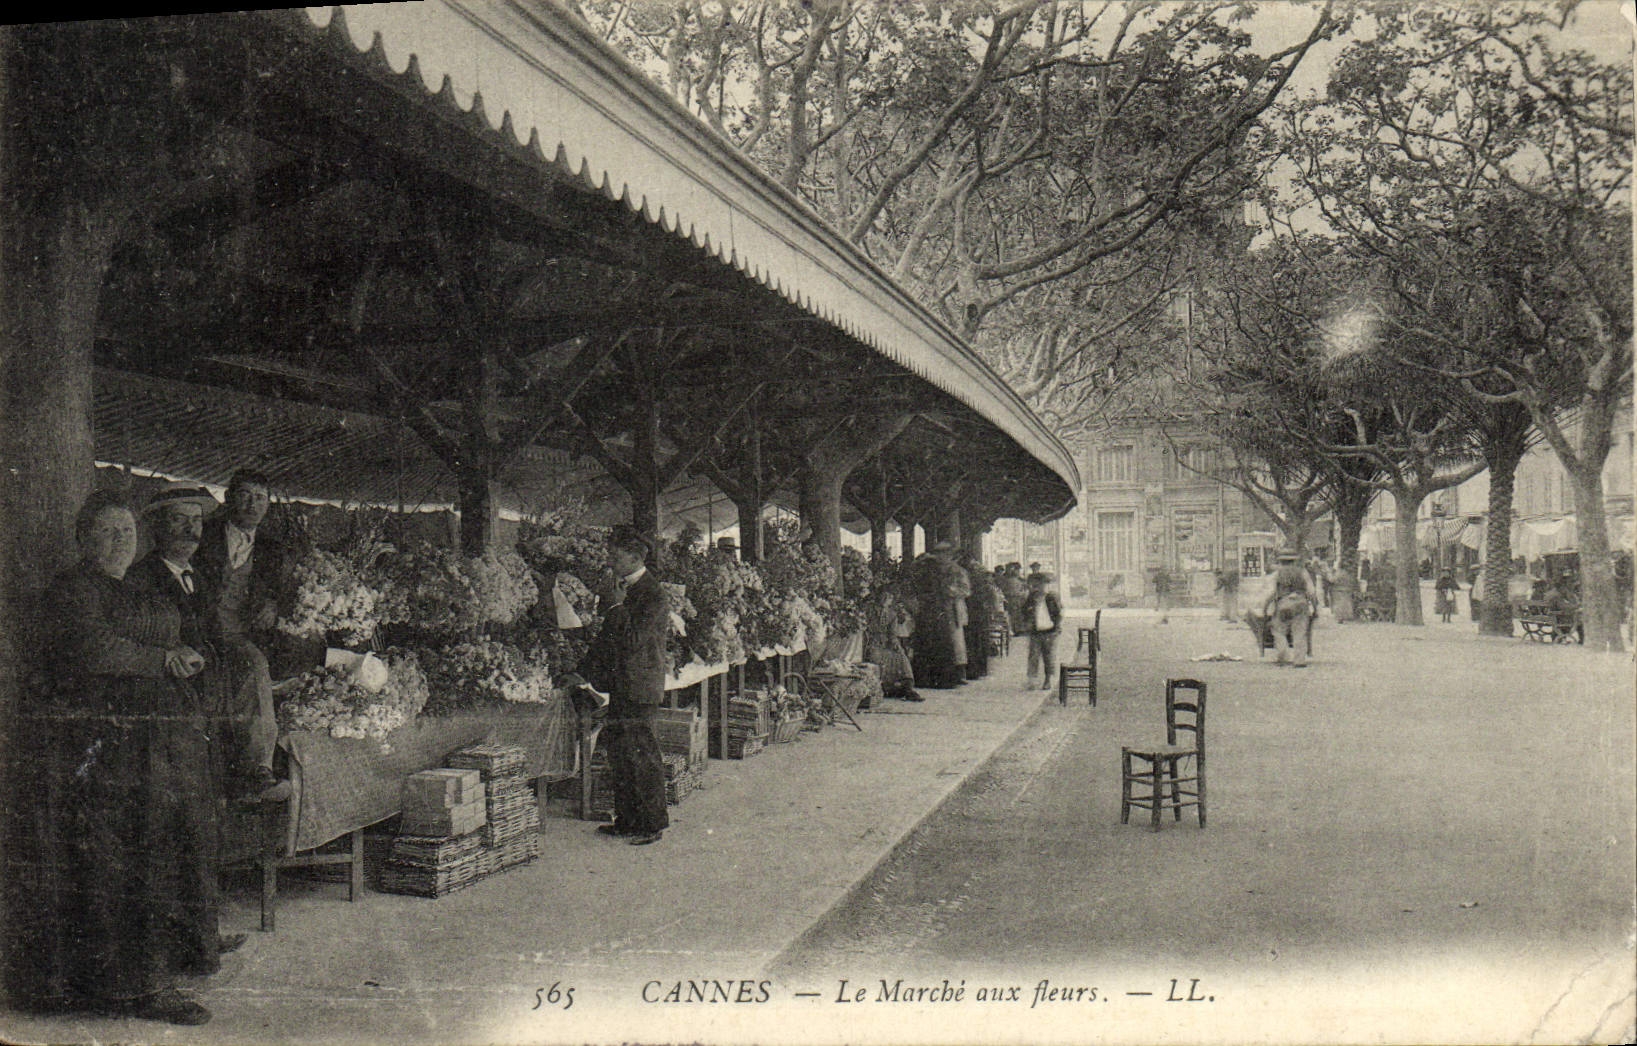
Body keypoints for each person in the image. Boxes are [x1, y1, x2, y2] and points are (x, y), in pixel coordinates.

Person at [8, 492, 228, 1025]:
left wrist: (180, 655)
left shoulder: (127, 586)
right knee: (124, 857)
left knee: (161, 843)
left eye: (127, 532)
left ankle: (163, 962)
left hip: (149, 741)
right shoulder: (73, 589)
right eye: (107, 532)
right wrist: (164, 659)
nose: (120, 542)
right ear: (83, 539)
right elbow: (92, 649)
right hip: (102, 746)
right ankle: (134, 987)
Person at [192, 468, 288, 803]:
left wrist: (273, 605)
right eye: (245, 495)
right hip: (197, 631)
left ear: (268, 504)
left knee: (255, 663)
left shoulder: (273, 549)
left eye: (260, 497)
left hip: (239, 635)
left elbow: (280, 591)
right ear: (229, 498)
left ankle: (259, 767)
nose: (253, 504)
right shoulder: (203, 535)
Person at [573, 526, 669, 845]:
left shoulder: (652, 593)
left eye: (616, 555)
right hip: (623, 684)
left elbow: (631, 641)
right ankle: (628, 820)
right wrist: (583, 671)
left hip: (640, 686)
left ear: (634, 556)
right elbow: (606, 640)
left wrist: (615, 607)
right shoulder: (624, 587)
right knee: (621, 754)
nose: (610, 560)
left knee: (642, 755)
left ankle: (651, 825)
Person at [864, 585, 921, 702]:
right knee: (875, 655)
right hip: (871, 641)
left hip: (886, 641)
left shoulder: (891, 614)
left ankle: (908, 688)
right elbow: (864, 627)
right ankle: (879, 687)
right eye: (884, 596)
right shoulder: (868, 610)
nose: (886, 599)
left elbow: (892, 633)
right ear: (878, 596)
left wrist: (895, 643)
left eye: (889, 597)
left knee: (900, 655)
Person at [1262, 549, 1315, 667]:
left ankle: (1283, 656)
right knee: (1300, 632)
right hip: (1301, 603)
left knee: (1278, 630)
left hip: (1283, 604)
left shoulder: (1277, 574)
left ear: (1280, 561)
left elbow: (1271, 593)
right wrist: (1315, 607)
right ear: (1294, 561)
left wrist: (1265, 608)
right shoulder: (1303, 572)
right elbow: (1311, 592)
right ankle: (1299, 660)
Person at [1019, 571, 1061, 691]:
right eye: (1038, 585)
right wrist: (1028, 618)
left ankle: (1048, 680)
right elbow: (1024, 610)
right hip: (1035, 631)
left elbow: (1058, 613)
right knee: (1033, 656)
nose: (1041, 587)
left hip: (1050, 631)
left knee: (1049, 656)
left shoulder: (1052, 597)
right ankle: (1032, 681)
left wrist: (1056, 627)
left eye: (1043, 584)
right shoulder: (1032, 597)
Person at [958, 551, 996, 680]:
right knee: (979, 641)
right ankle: (980, 670)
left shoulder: (969, 573)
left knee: (972, 641)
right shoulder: (982, 572)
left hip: (974, 610)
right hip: (981, 611)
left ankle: (973, 670)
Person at [999, 562, 1029, 635]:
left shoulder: (1020, 580)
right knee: (1012, 614)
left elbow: (1025, 589)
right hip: (1010, 599)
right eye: (1016, 570)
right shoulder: (1005, 579)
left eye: (1018, 570)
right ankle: (1014, 629)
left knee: (1017, 614)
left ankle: (1017, 629)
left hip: (1018, 599)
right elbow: (1002, 590)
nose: (1018, 572)